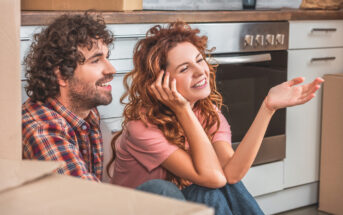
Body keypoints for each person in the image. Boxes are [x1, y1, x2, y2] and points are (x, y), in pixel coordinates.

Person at [108, 21, 324, 214]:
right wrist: (183, 110)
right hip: (138, 209)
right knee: (165, 188)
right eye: (184, 68)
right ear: (161, 83)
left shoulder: (207, 112)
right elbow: (215, 177)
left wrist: (267, 108)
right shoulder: (142, 128)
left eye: (199, 60)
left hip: (184, 208)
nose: (200, 71)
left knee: (211, 190)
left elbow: (232, 175)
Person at [22, 13, 185, 200]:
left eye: (107, 57)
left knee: (203, 193)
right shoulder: (43, 130)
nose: (111, 70)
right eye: (96, 60)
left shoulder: (86, 113)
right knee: (162, 192)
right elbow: (90, 203)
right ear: (61, 76)